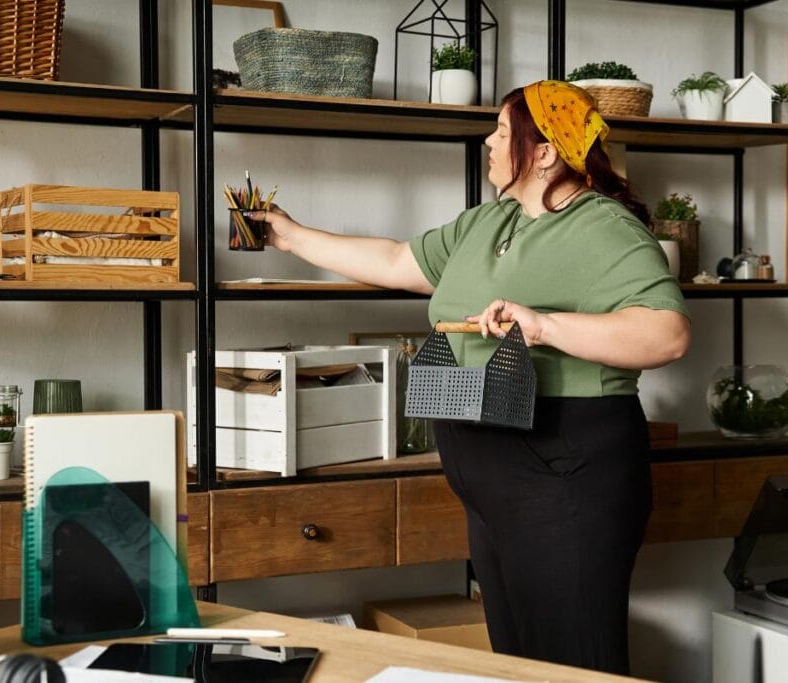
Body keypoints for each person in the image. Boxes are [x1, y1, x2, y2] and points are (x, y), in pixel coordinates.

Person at [245, 80, 691, 675]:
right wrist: (290, 236)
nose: (489, 139)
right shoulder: (490, 221)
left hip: (565, 476)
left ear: (545, 152)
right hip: (490, 480)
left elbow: (666, 334)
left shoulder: (604, 228)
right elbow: (396, 261)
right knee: (518, 663)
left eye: (504, 132)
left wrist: (545, 326)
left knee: (574, 665)